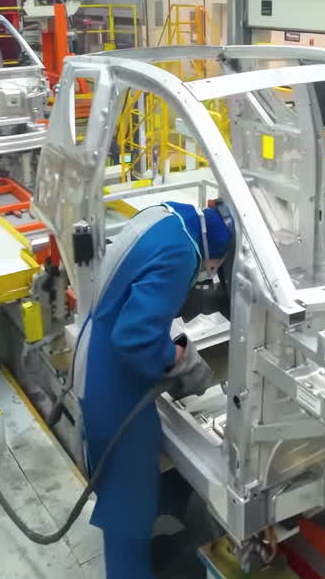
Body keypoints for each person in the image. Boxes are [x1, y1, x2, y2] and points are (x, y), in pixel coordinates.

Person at [71, 201, 232, 579]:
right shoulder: (182, 254)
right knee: (130, 506)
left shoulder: (172, 217)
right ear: (223, 255)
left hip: (94, 355)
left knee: (123, 494)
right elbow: (135, 337)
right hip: (114, 387)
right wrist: (179, 355)